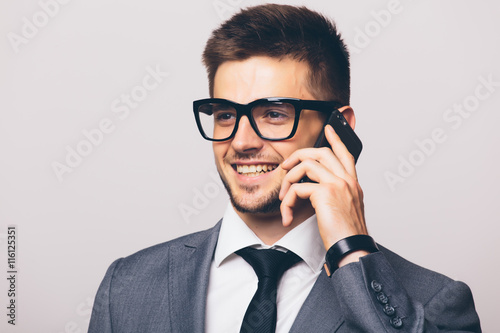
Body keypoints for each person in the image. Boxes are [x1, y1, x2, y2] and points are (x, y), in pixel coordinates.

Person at [88, 4, 481, 332]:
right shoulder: (127, 285)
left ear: (336, 129)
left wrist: (351, 248)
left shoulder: (435, 302)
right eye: (226, 114)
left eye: (273, 114)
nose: (241, 141)